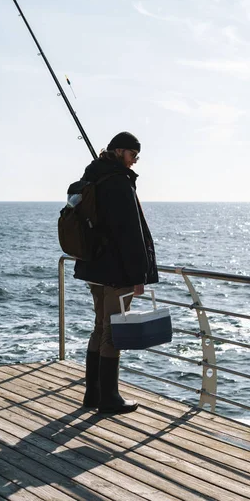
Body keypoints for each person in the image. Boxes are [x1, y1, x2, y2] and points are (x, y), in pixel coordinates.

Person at [74, 131, 158, 414]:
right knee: (113, 329)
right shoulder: (119, 182)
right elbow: (130, 233)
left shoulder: (92, 178)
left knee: (100, 327)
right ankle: (109, 397)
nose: (135, 162)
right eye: (133, 155)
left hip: (94, 267)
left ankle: (92, 394)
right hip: (116, 270)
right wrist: (139, 275)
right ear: (120, 152)